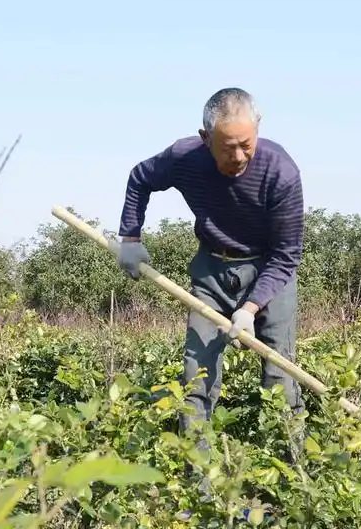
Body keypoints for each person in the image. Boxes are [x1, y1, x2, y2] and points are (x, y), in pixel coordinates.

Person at [112, 87, 306, 459]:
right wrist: (131, 236)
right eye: (226, 147)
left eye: (246, 144)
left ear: (258, 130)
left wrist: (249, 309)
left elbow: (286, 255)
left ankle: (293, 481)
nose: (238, 156)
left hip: (269, 271)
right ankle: (196, 482)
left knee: (281, 375)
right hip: (211, 269)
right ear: (205, 139)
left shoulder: (281, 172)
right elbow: (140, 178)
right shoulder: (184, 156)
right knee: (195, 375)